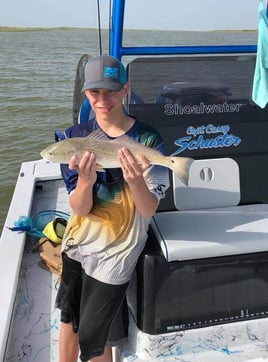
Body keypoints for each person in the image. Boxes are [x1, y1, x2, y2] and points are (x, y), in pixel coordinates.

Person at [56, 54, 169, 362]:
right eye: (95, 92)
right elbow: (80, 209)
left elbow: (148, 210)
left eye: (111, 91)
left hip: (118, 250)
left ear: (125, 90)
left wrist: (135, 182)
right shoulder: (74, 139)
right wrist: (84, 182)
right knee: (69, 319)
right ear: (86, 94)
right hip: (78, 242)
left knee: (96, 333)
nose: (102, 100)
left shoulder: (148, 139)